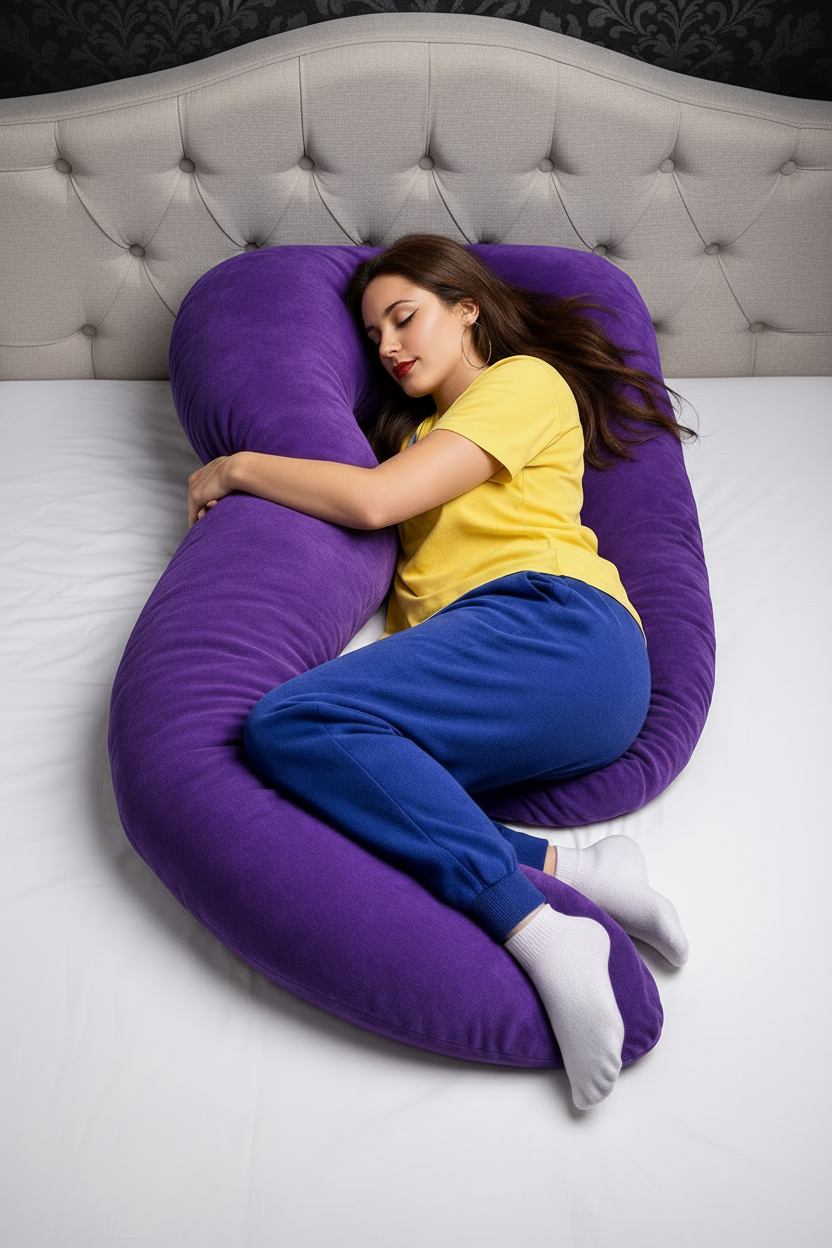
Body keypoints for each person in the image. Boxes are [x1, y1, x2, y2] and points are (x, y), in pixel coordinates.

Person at [187, 234, 693, 1110]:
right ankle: (581, 875)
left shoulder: (522, 383)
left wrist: (235, 466)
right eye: (373, 332)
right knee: (346, 796)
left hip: (561, 626)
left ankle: (538, 923)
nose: (387, 344)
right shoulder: (418, 438)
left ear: (468, 310)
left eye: (405, 315)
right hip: (527, 677)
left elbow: (375, 501)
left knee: (291, 724)